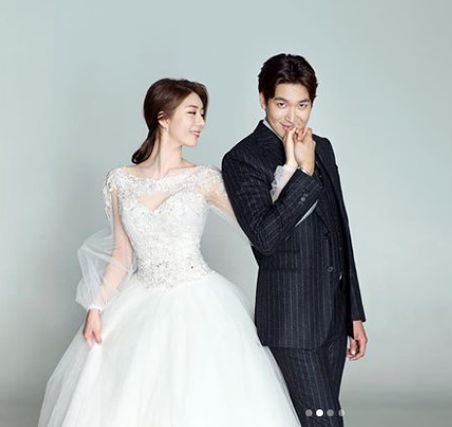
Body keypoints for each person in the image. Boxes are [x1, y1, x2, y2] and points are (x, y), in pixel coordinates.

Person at [37, 78, 302, 426]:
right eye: (192, 112)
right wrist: (96, 306)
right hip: (139, 299)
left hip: (199, 300)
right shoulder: (120, 181)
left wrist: (291, 168)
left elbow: (260, 225)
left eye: (203, 114)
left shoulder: (205, 179)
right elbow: (121, 254)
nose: (201, 122)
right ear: (162, 117)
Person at [222, 53, 368, 427]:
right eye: (281, 104)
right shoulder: (242, 159)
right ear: (263, 100)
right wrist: (303, 171)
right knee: (325, 423)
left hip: (333, 316)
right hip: (290, 318)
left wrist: (354, 312)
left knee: (316, 418)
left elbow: (340, 229)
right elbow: (264, 238)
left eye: (302, 105)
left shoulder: (323, 147)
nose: (292, 117)